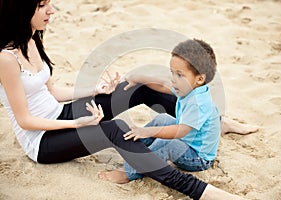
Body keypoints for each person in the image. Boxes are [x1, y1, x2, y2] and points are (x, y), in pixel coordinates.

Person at [0, 0, 247, 199]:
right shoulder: (6, 59)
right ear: (22, 9)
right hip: (42, 141)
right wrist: (79, 124)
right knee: (116, 129)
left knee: (135, 87)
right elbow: (25, 121)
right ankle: (200, 191)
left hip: (58, 114)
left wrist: (97, 90)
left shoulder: (33, 39)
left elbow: (52, 93)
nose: (51, 10)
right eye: (42, 5)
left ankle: (211, 120)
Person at [99, 39, 221, 183]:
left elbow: (180, 131)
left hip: (197, 157)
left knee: (166, 143)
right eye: (172, 72)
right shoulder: (188, 87)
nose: (173, 79)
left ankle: (128, 172)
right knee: (162, 118)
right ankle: (137, 149)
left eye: (179, 75)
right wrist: (140, 79)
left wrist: (148, 131)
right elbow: (163, 85)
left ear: (199, 79)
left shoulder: (198, 103)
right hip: (185, 141)